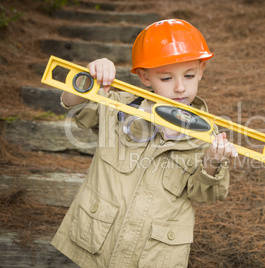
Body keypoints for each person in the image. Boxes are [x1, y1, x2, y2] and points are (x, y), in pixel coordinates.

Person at [52, 19, 238, 267]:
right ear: (145, 76)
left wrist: (212, 162)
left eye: (189, 75)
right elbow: (75, 103)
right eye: (166, 78)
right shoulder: (120, 108)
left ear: (201, 70)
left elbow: (207, 194)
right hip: (96, 244)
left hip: (153, 254)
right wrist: (89, 76)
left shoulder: (206, 135)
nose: (180, 87)